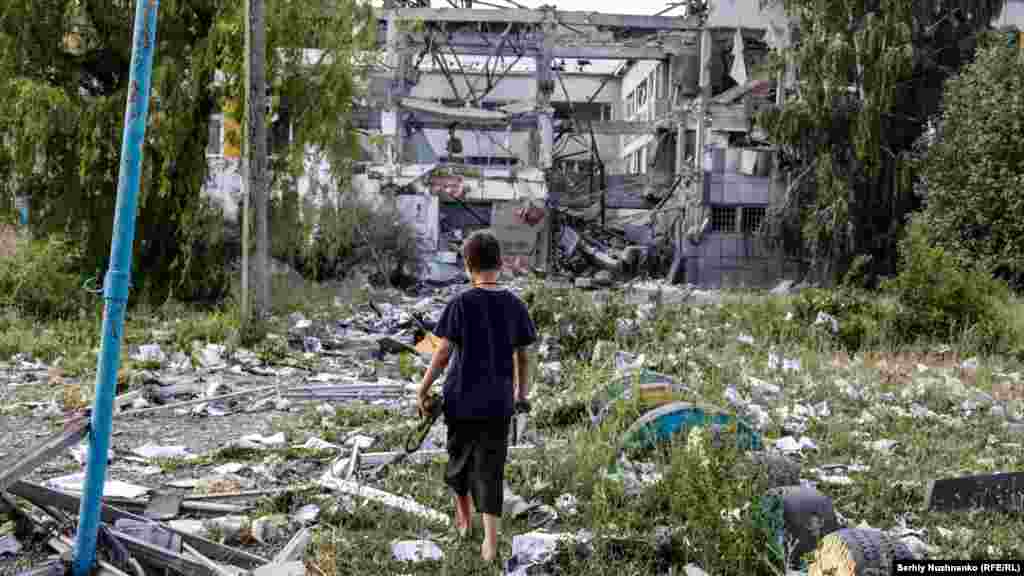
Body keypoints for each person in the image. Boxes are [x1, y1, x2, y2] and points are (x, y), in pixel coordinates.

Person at [416, 229, 537, 563]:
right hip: (498, 404)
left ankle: (464, 521)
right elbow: (524, 356)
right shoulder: (515, 305)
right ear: (500, 263)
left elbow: (442, 355)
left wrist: (423, 389)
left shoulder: (460, 303)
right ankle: (490, 543)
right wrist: (521, 393)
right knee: (491, 468)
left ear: (468, 264)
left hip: (460, 400)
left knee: (459, 461)